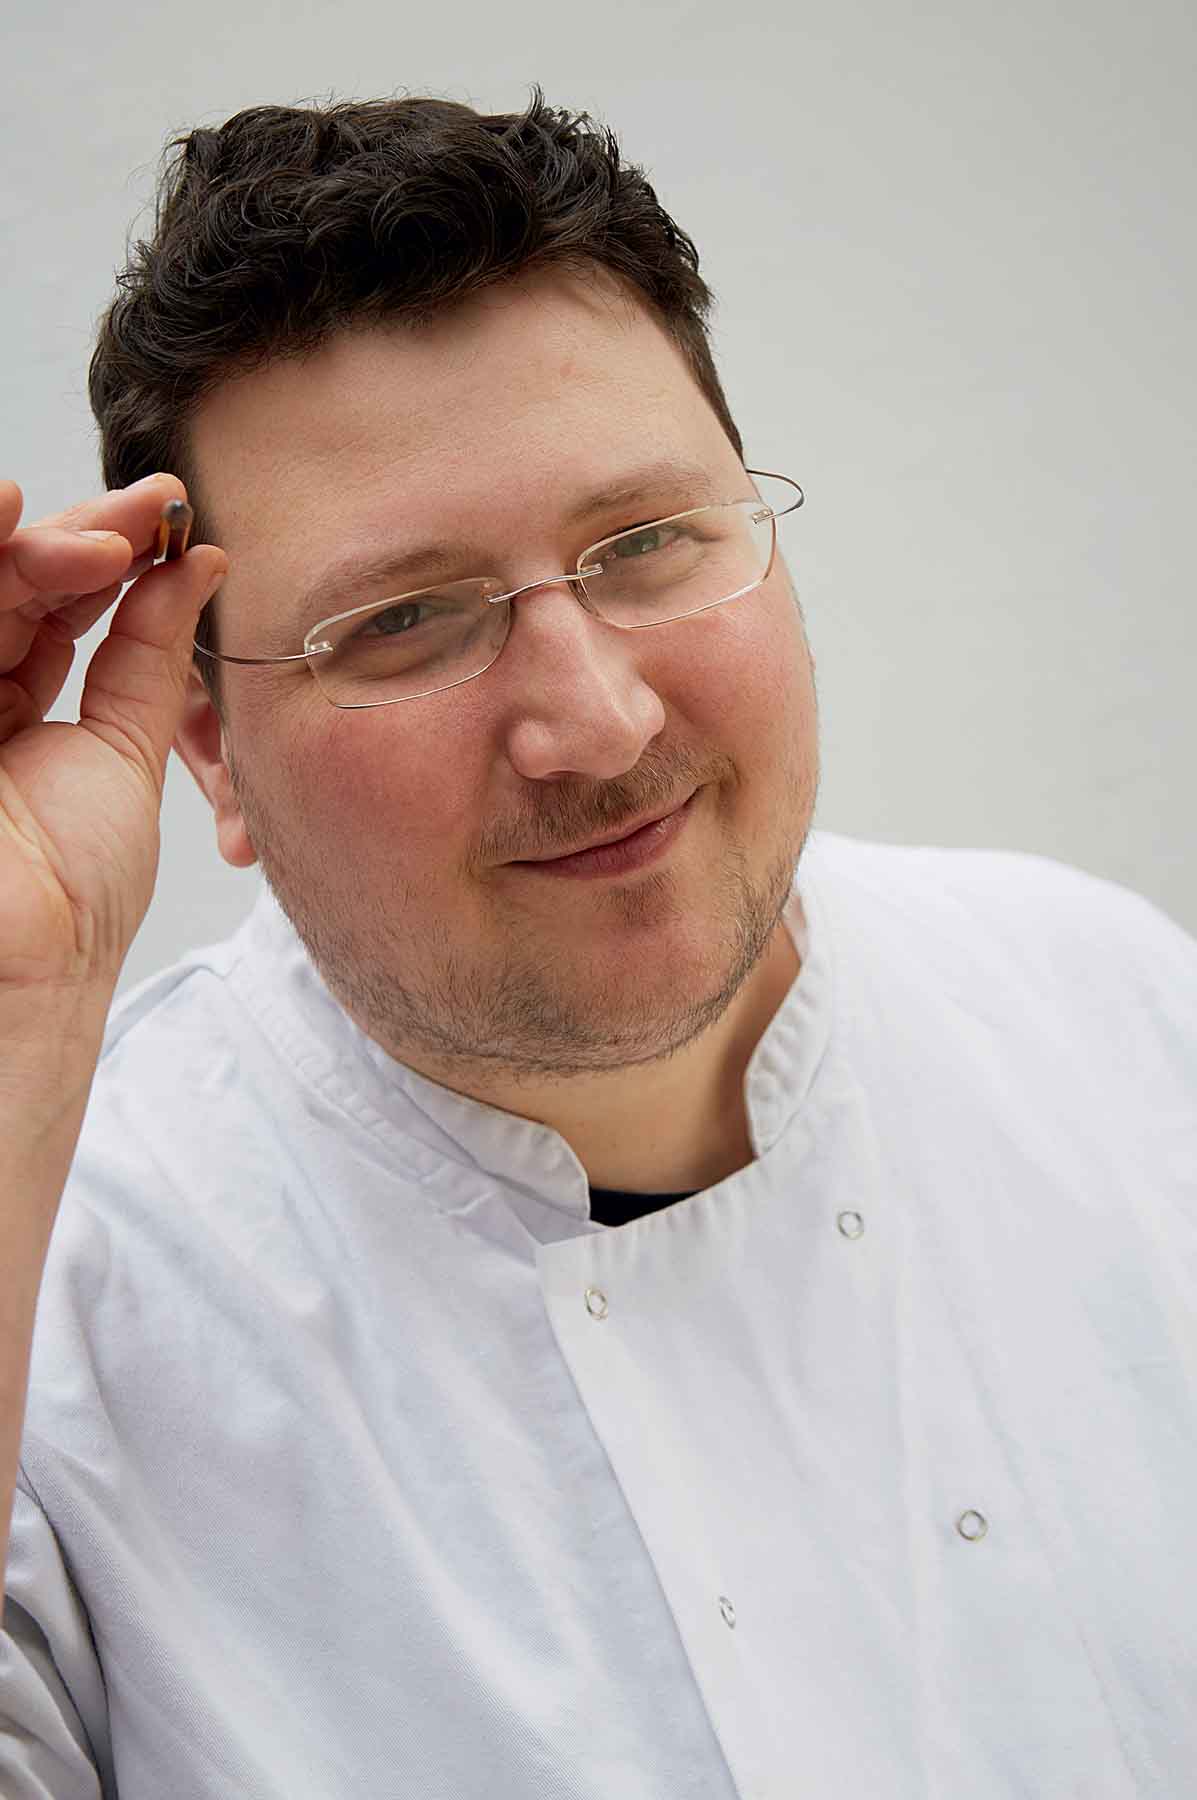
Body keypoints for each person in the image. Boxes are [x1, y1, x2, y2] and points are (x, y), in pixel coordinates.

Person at [1, 92, 1194, 1800]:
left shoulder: (1121, 1018)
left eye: (644, 544)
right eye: (403, 621)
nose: (594, 716)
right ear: (208, 749)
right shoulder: (57, 1314)